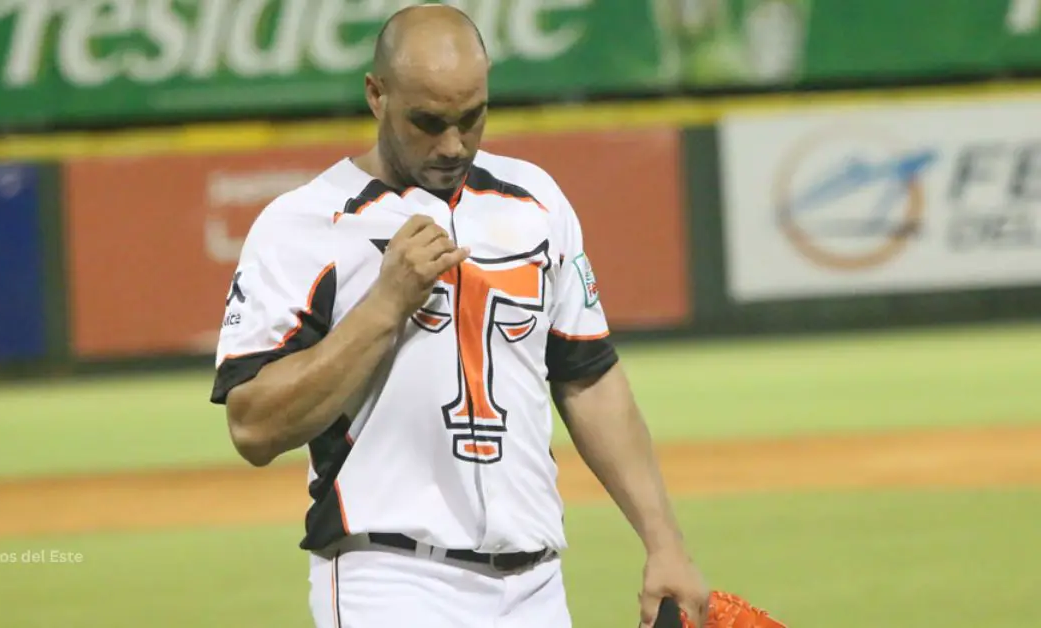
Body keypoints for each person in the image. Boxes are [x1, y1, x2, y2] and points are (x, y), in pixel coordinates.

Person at [209, 5, 709, 627]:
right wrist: (385, 306)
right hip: (389, 581)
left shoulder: (535, 203)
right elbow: (253, 427)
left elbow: (589, 375)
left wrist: (664, 543)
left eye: (472, 118)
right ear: (376, 95)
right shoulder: (304, 225)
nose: (453, 144)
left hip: (536, 585)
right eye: (428, 122)